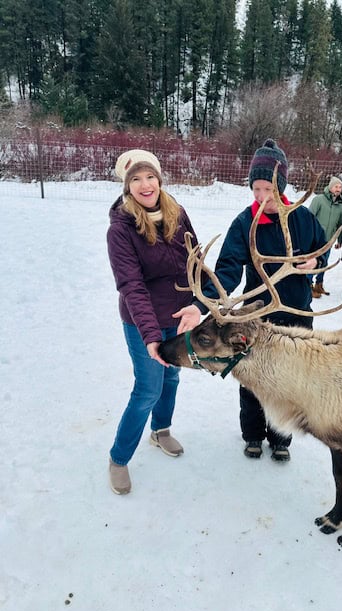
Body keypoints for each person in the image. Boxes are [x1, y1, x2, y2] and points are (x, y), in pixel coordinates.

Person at [174, 139, 327, 462]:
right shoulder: (244, 223)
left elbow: (322, 247)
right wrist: (201, 306)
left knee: (291, 380)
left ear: (281, 185)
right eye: (256, 189)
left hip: (297, 314)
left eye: (268, 188)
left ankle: (281, 437)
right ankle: (254, 435)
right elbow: (228, 271)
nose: (261, 197)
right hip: (257, 317)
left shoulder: (302, 218)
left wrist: (314, 264)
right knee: (252, 377)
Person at [106, 149, 199, 495]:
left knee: (172, 377)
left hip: (178, 317)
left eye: (150, 177)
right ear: (127, 187)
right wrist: (150, 335)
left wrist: (198, 304)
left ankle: (161, 431)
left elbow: (195, 259)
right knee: (148, 389)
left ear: (159, 179)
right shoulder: (121, 230)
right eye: (136, 179)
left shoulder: (178, 213)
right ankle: (118, 458)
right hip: (141, 321)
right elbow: (132, 285)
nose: (145, 185)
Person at [308, 176, 342, 297]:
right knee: (313, 262)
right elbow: (309, 218)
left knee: (324, 263)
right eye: (336, 186)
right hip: (315, 239)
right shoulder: (319, 200)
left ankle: (319, 285)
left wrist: (340, 240)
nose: (338, 189)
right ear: (330, 187)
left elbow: (340, 224)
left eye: (340, 187)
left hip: (329, 240)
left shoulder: (340, 205)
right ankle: (308, 285)